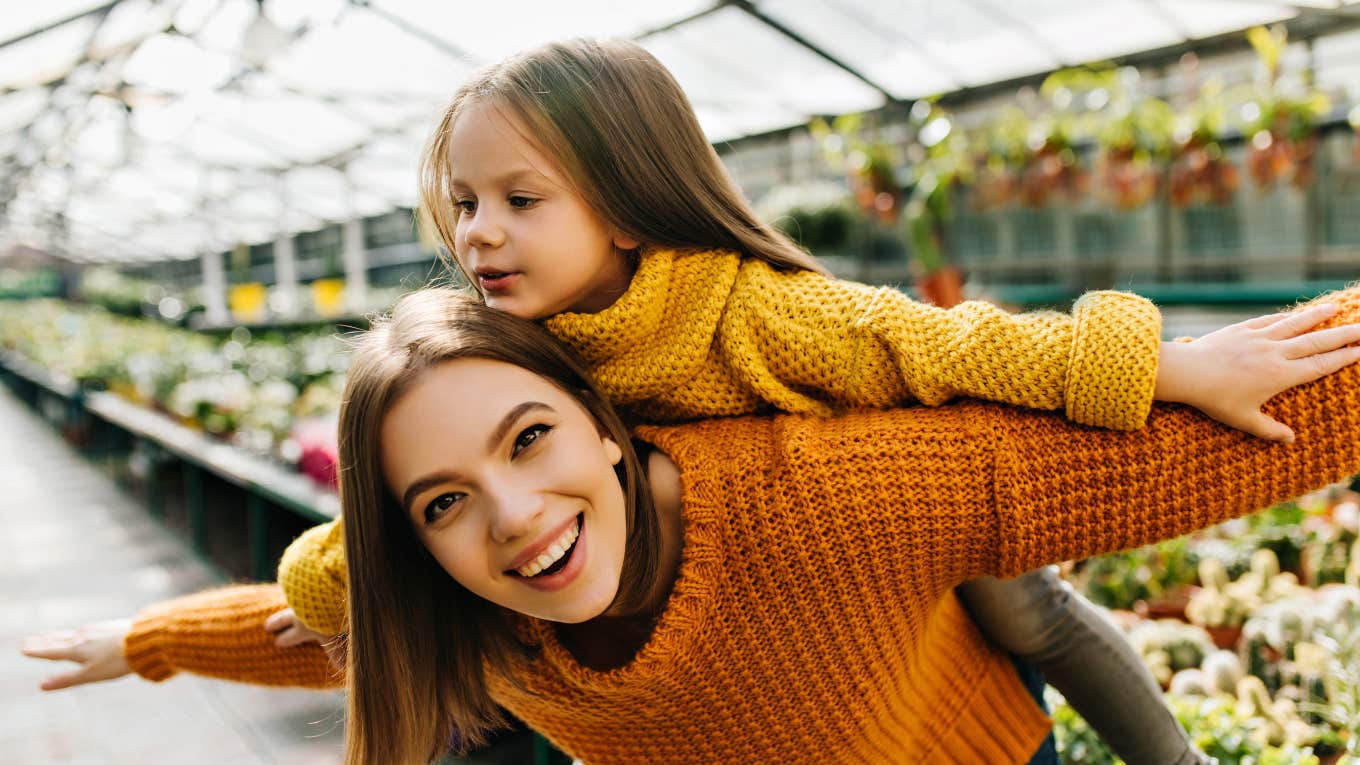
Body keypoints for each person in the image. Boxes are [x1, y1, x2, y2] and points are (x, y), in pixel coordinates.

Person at [266, 37, 1316, 765]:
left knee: (1032, 613)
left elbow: (950, 342)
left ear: (628, 204)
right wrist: (330, 583)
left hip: (907, 520)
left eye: (518, 200)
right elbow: (431, 489)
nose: (477, 234)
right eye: (463, 204)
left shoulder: (750, 313)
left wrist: (1176, 367)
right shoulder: (520, 356)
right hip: (784, 598)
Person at [23, 286, 1360, 765]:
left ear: (605, 421)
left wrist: (1185, 364)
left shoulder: (823, 497)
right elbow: (313, 635)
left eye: (529, 438)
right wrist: (146, 643)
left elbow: (1162, 465)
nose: (514, 519)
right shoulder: (476, 619)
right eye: (443, 503)